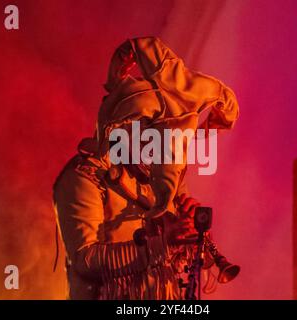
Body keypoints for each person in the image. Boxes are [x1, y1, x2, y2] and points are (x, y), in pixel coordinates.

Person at [53, 37, 239, 299]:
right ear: (124, 129)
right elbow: (85, 260)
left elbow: (177, 263)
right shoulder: (85, 177)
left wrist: (191, 233)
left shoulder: (157, 183)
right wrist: (162, 244)